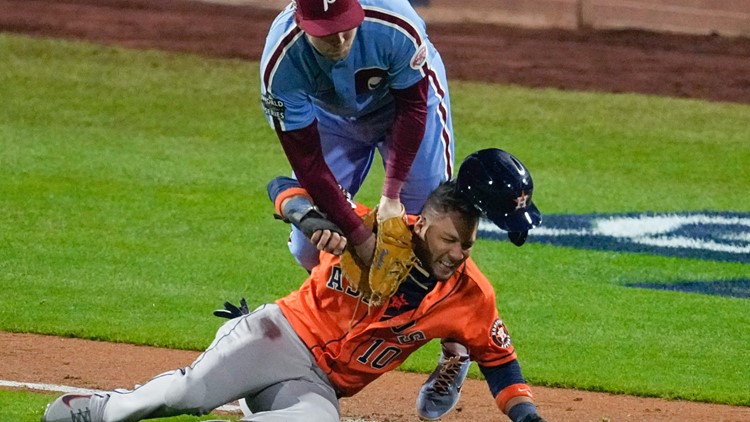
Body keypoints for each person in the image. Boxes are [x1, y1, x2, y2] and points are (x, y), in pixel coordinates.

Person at [42, 148, 546, 422]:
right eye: (451, 240)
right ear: (421, 223)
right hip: (276, 338)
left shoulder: (470, 295)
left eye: (468, 246)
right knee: (189, 395)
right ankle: (96, 411)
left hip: (314, 386)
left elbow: (503, 366)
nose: (457, 254)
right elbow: (282, 185)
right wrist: (308, 218)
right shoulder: (368, 227)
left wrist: (527, 418)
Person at [259, 0, 461, 415]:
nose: (339, 39)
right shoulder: (281, 63)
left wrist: (391, 197)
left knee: (438, 232)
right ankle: (340, 331)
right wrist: (358, 234)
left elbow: (413, 106)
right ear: (301, 19)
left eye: (346, 26)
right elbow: (309, 164)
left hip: (405, 113)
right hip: (331, 120)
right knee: (306, 246)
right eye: (325, 30)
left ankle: (456, 348)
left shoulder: (395, 25)